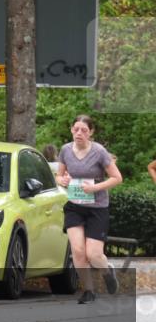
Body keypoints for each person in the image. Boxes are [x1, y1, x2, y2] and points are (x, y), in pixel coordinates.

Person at [55, 115, 123, 304]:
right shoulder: (65, 150)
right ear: (71, 130)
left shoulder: (99, 152)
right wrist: (62, 180)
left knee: (93, 254)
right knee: (77, 251)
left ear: (90, 133)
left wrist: (94, 188)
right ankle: (88, 291)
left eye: (84, 130)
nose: (79, 133)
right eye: (76, 129)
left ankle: (107, 271)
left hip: (97, 208)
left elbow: (117, 178)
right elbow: (58, 176)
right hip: (74, 206)